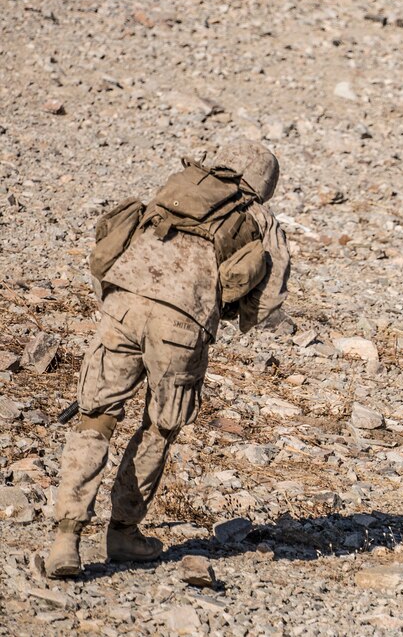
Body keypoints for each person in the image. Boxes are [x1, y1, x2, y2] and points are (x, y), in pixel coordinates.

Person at [45, 140, 291, 578]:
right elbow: (269, 299)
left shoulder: (179, 187)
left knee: (96, 418)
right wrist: (237, 315)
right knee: (160, 426)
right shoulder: (257, 217)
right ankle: (123, 533)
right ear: (265, 184)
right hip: (181, 325)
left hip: (123, 303)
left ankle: (66, 539)